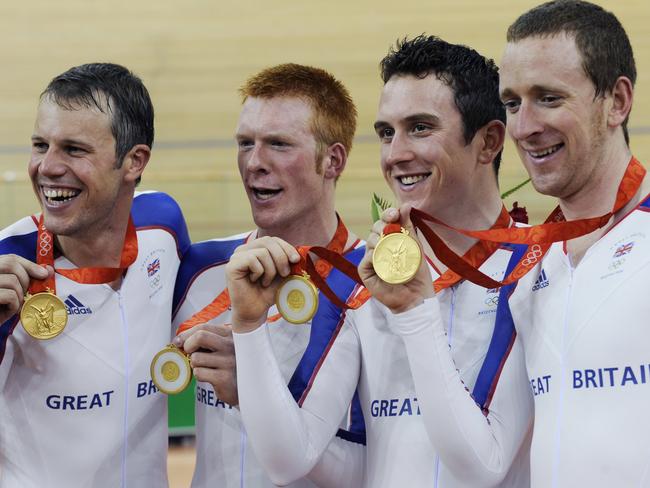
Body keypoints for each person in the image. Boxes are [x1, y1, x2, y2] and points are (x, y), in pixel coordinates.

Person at [227, 36, 533, 487]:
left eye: (421, 128)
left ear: (488, 141)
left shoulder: (538, 266)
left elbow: (481, 466)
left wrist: (414, 314)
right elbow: (289, 460)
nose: (396, 154)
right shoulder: (358, 274)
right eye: (387, 132)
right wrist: (248, 326)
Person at [172, 63, 365, 488]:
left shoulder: (375, 285)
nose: (254, 163)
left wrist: (254, 393)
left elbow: (381, 467)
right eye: (245, 143)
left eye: (278, 144)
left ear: (332, 160)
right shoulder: (197, 268)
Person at [0, 63, 190, 487]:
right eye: (39, 144)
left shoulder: (164, 224)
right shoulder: (7, 263)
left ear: (133, 162)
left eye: (74, 149)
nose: (46, 167)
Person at [497, 1, 650, 485]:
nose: (522, 127)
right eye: (512, 102)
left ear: (617, 101)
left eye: (548, 97)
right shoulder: (527, 268)